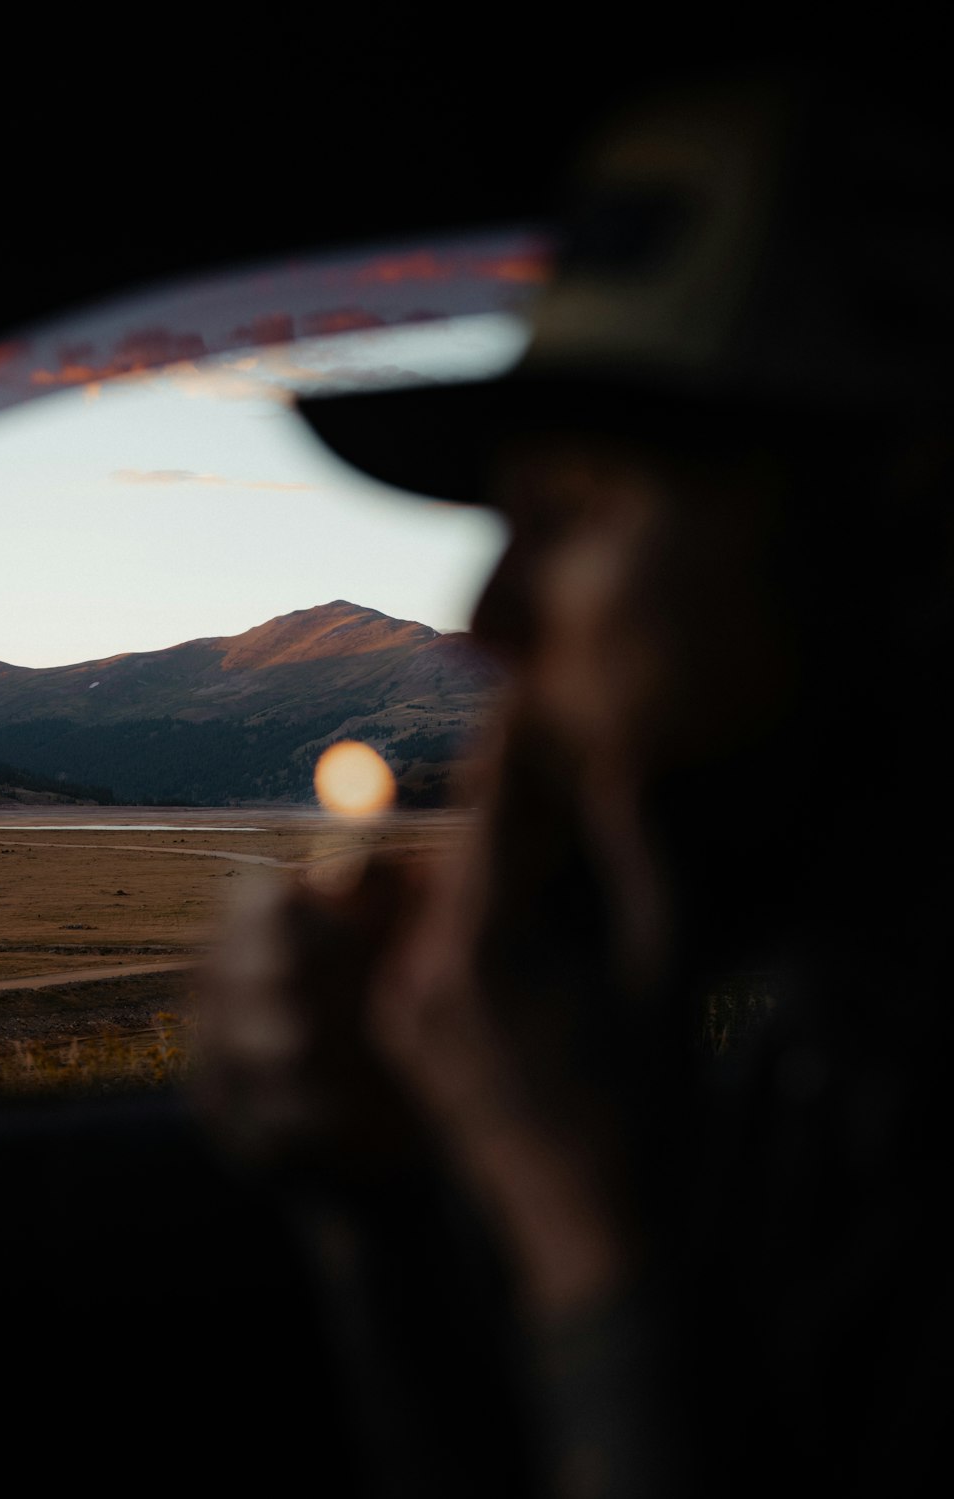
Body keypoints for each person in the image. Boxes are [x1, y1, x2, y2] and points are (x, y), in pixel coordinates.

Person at [190, 65, 954, 1498]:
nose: (490, 619)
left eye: (583, 515)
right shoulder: (799, 1032)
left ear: (912, 544)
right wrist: (382, 1183)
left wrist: (571, 1215)